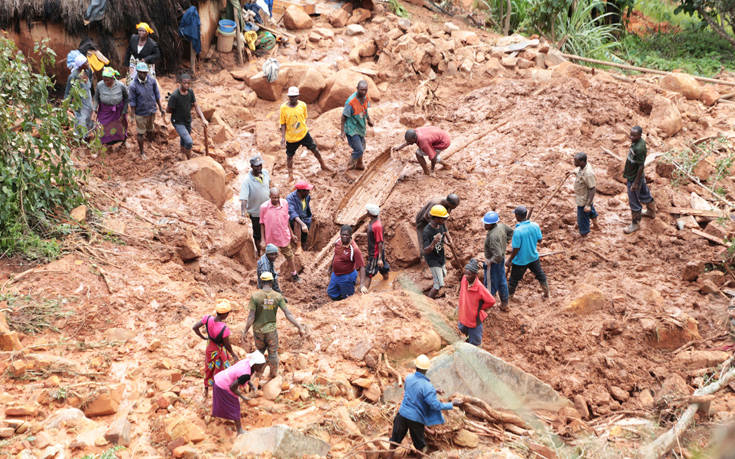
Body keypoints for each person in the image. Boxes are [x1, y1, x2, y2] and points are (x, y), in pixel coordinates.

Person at [388, 354, 460, 457]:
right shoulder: (427, 386)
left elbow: (414, 391)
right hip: (415, 420)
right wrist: (451, 404)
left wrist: (433, 391)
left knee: (393, 443)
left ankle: (389, 457)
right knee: (420, 448)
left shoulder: (408, 378)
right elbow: (435, 405)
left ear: (416, 367)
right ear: (426, 370)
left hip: (402, 415)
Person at [242, 272, 305, 378]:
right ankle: (273, 374)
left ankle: (258, 375)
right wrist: (299, 327)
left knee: (260, 352)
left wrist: (245, 331)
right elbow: (288, 313)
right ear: (272, 282)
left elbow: (251, 317)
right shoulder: (277, 296)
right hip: (271, 331)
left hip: (258, 331)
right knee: (273, 353)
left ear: (261, 281)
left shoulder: (255, 296)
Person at [279, 86, 330, 181]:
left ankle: (323, 165)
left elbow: (304, 118)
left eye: (294, 96)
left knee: (314, 149)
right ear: (288, 97)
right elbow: (282, 123)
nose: (292, 98)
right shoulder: (283, 108)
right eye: (291, 96)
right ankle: (290, 175)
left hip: (303, 134)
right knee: (289, 156)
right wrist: (283, 137)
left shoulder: (302, 105)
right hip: (291, 138)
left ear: (298, 96)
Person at [191, 299, 239, 398]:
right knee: (222, 369)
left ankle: (206, 389)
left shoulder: (207, 318)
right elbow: (227, 345)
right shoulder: (224, 328)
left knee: (209, 368)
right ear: (224, 315)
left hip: (210, 347)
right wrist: (233, 354)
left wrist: (202, 337)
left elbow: (195, 327)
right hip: (219, 350)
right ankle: (220, 390)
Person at [211, 350, 266, 434]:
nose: (262, 368)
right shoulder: (246, 373)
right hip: (223, 384)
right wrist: (243, 397)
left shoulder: (247, 362)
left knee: (222, 401)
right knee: (234, 406)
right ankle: (239, 430)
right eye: (261, 366)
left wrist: (252, 386)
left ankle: (216, 416)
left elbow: (243, 377)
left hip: (220, 379)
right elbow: (233, 387)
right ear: (255, 365)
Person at [507, 206, 549, 300]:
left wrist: (509, 260)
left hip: (521, 260)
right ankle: (546, 292)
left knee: (513, 280)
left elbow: (516, 249)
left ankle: (509, 297)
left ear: (517, 216)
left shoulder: (518, 231)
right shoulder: (535, 225)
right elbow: (540, 240)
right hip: (533, 257)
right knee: (540, 275)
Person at [260, 187, 299, 282]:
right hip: (271, 237)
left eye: (277, 197)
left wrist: (292, 233)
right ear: (270, 197)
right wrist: (262, 239)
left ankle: (294, 274)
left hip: (283, 236)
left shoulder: (285, 203)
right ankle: (268, 277)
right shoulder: (264, 207)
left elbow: (287, 220)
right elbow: (261, 223)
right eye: (274, 197)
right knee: (269, 258)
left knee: (289, 256)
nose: (276, 199)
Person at [128, 62, 166, 159]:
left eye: (145, 72)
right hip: (140, 113)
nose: (143, 74)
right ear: (137, 72)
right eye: (140, 72)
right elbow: (132, 102)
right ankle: (142, 152)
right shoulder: (133, 85)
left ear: (147, 72)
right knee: (140, 133)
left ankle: (150, 144)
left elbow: (157, 96)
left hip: (151, 110)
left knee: (150, 129)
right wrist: (132, 116)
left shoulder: (152, 81)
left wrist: (161, 109)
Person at [167, 73, 208, 159]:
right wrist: (177, 109)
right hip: (178, 121)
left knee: (184, 139)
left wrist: (203, 118)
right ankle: (189, 160)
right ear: (180, 83)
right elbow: (168, 110)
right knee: (189, 142)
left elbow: (196, 105)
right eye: (184, 83)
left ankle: (182, 154)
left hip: (187, 120)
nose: (186, 85)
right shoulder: (175, 96)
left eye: (188, 83)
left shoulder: (190, 92)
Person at [623, 126, 655, 234]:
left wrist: (635, 183)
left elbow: (641, 166)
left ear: (640, 135)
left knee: (634, 201)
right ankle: (651, 212)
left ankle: (635, 224)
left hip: (634, 177)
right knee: (644, 193)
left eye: (634, 135)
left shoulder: (639, 148)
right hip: (636, 175)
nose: (631, 137)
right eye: (630, 134)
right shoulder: (637, 143)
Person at [458, 259, 495, 345]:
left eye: (469, 274)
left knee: (475, 340)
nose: (466, 276)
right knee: (462, 327)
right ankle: (468, 338)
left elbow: (491, 301)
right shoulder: (464, 279)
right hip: (464, 312)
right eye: (465, 273)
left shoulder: (479, 288)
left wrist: (480, 307)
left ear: (475, 275)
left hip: (474, 318)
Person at [239, 155, 271, 254]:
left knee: (268, 230)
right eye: (256, 166)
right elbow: (244, 198)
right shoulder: (247, 181)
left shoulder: (265, 173)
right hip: (256, 213)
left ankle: (269, 250)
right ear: (252, 166)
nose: (259, 168)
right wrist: (243, 213)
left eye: (260, 165)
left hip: (268, 210)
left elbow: (270, 185)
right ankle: (260, 253)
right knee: (257, 234)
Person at [482, 211, 513, 311]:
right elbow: (512, 232)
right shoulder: (502, 226)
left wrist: (489, 262)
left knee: (490, 284)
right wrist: (505, 242)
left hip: (494, 262)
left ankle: (487, 307)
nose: (484, 225)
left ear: (491, 224)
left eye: (486, 223)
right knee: (502, 281)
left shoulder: (493, 236)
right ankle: (505, 304)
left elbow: (498, 255)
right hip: (501, 260)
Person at [327, 225, 367, 300]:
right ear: (340, 234)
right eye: (343, 234)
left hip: (347, 276)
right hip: (335, 274)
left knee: (348, 298)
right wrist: (331, 267)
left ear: (350, 236)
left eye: (347, 235)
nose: (344, 237)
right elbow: (336, 255)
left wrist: (362, 285)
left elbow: (362, 266)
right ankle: (339, 302)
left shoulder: (354, 249)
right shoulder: (338, 241)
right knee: (331, 292)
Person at [340, 80, 373, 170]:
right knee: (359, 149)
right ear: (357, 89)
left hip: (360, 127)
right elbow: (343, 117)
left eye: (365, 90)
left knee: (363, 146)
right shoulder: (351, 102)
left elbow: (365, 110)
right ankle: (349, 165)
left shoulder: (365, 98)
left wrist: (369, 120)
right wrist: (342, 131)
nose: (363, 92)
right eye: (361, 90)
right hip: (351, 129)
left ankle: (359, 163)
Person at [415, 194, 460, 260]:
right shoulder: (436, 204)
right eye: (454, 206)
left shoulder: (449, 206)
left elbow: (443, 220)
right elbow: (426, 216)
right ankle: (423, 259)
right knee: (424, 240)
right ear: (449, 202)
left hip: (435, 220)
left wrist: (447, 235)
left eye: (455, 206)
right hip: (422, 221)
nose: (454, 208)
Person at [422, 205, 453, 299]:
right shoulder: (427, 231)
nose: (444, 220)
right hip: (433, 260)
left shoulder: (441, 224)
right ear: (436, 218)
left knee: (443, 274)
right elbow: (426, 250)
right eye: (442, 219)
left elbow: (443, 234)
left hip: (440, 256)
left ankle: (434, 285)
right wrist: (433, 242)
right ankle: (428, 301)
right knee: (438, 284)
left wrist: (448, 242)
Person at [93, 67, 129, 145]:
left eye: (107, 80)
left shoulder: (120, 85)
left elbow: (126, 98)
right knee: (101, 126)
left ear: (113, 78)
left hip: (118, 110)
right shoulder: (100, 85)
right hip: (105, 110)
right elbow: (96, 98)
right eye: (104, 79)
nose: (105, 82)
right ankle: (100, 144)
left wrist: (124, 112)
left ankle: (123, 141)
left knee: (121, 126)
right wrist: (95, 107)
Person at [65, 55, 95, 137]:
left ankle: (87, 133)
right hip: (79, 100)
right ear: (81, 64)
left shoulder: (88, 71)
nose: (88, 63)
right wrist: (67, 103)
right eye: (86, 62)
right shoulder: (73, 76)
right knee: (81, 117)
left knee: (89, 113)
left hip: (88, 97)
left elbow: (90, 81)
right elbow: (68, 91)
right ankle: (80, 137)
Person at [364, 203, 389, 289]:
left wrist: (379, 258)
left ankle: (363, 294)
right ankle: (387, 282)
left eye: (367, 211)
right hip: (377, 252)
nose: (366, 212)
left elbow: (380, 242)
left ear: (371, 213)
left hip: (375, 254)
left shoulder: (377, 226)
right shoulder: (373, 221)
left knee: (369, 273)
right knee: (383, 268)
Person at [573, 152, 598, 236]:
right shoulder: (583, 166)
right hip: (583, 196)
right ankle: (596, 224)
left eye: (576, 161)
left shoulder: (588, 174)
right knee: (590, 210)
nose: (574, 163)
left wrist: (587, 204)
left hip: (583, 199)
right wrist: (572, 172)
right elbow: (579, 171)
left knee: (582, 217)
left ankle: (584, 233)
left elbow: (592, 189)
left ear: (582, 162)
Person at [286, 180, 313, 251]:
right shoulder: (290, 198)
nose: (309, 192)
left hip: (305, 218)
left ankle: (304, 246)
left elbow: (306, 208)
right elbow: (292, 213)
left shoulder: (307, 197)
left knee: (305, 235)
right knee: (297, 222)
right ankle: (298, 246)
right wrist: (302, 224)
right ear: (301, 191)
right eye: (307, 190)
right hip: (295, 221)